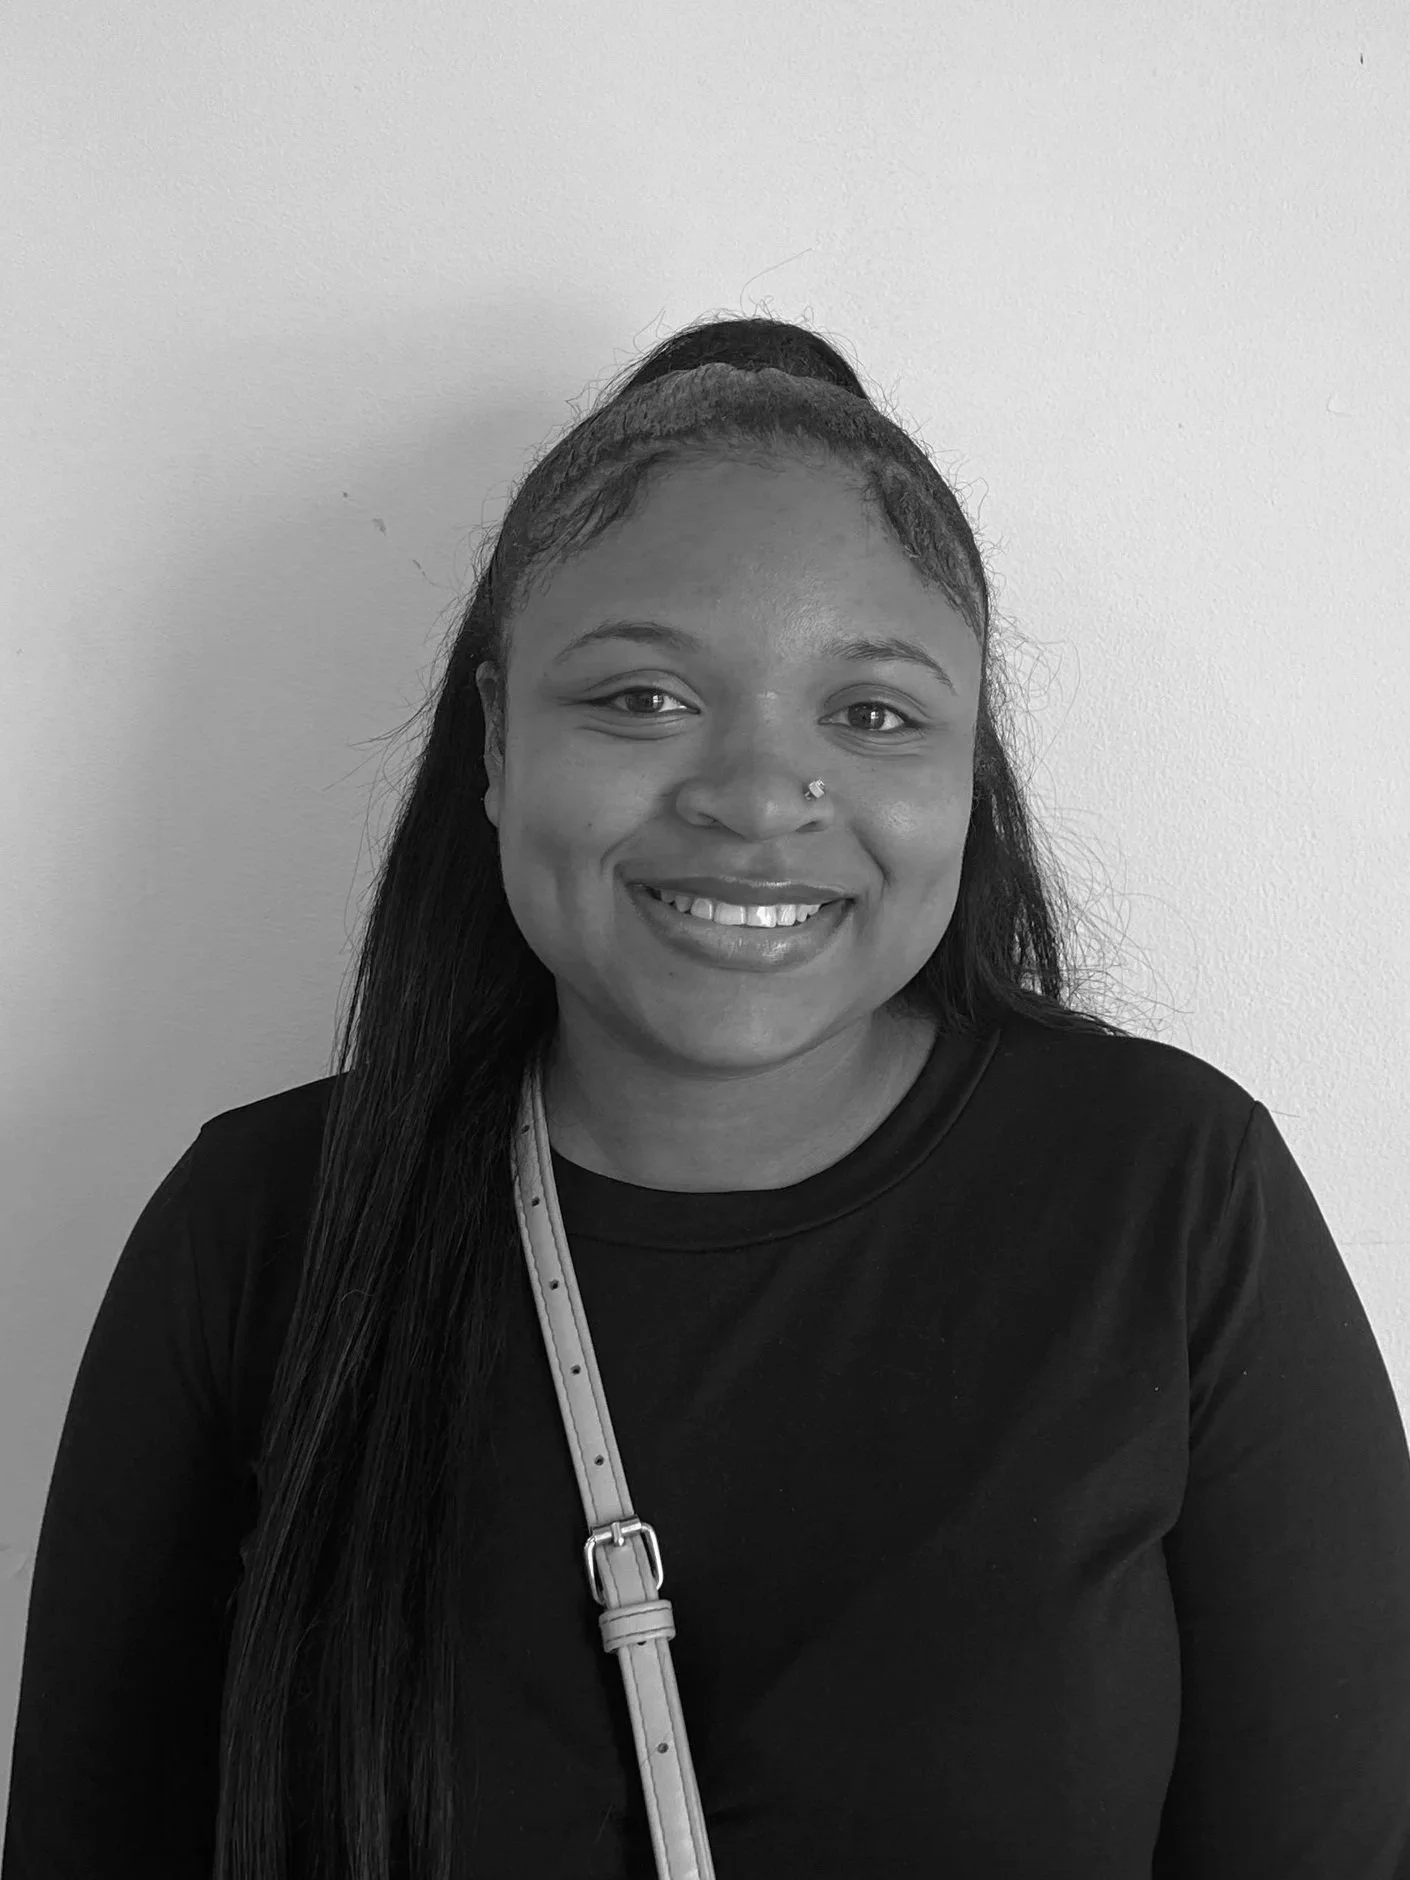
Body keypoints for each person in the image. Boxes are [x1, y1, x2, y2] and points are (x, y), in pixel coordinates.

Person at [5, 316, 1409, 1880]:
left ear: (964, 769)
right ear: (494, 736)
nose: (752, 796)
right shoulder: (258, 1229)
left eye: (870, 713)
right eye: (642, 700)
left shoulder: (1171, 1194)